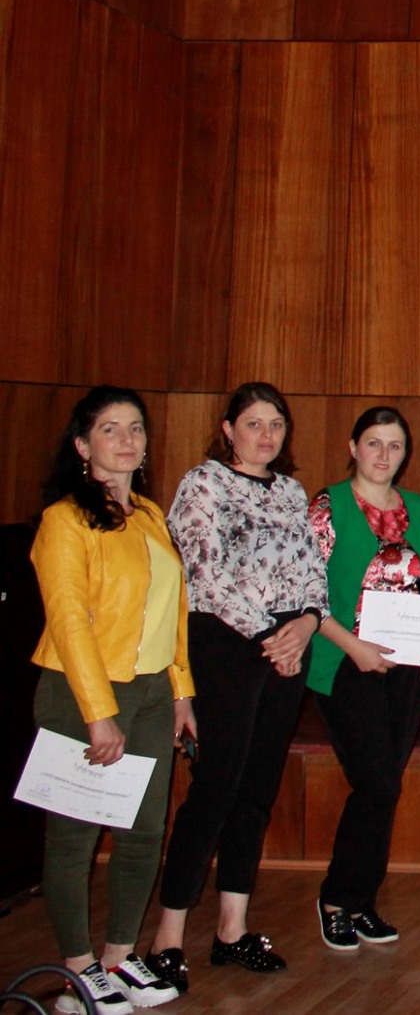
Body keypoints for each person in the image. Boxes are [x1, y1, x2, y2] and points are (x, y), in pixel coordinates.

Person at [152, 383, 326, 991]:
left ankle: (232, 929)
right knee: (215, 788)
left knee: (256, 790)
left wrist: (306, 625)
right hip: (227, 644)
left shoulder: (292, 492)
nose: (266, 435)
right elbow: (203, 574)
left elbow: (312, 571)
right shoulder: (203, 484)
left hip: (288, 647)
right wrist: (271, 638)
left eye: (276, 423)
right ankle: (167, 938)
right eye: (253, 423)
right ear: (228, 430)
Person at [31, 387, 191, 1015]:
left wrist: (181, 691)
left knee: (143, 831)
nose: (126, 440)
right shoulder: (64, 519)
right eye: (109, 429)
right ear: (82, 445)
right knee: (74, 838)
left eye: (135, 428)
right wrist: (98, 713)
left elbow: (172, 611)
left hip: (151, 690)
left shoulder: (149, 512)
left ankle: (120, 959)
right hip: (82, 691)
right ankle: (77, 971)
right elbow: (69, 619)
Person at [305, 407, 420, 952]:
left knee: (385, 784)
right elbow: (306, 593)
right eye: (373, 443)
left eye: (394, 445)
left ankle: (361, 901)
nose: (384, 454)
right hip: (346, 662)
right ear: (353, 447)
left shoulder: (418, 507)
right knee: (377, 782)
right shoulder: (328, 506)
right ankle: (337, 899)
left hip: (407, 670)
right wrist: (355, 648)